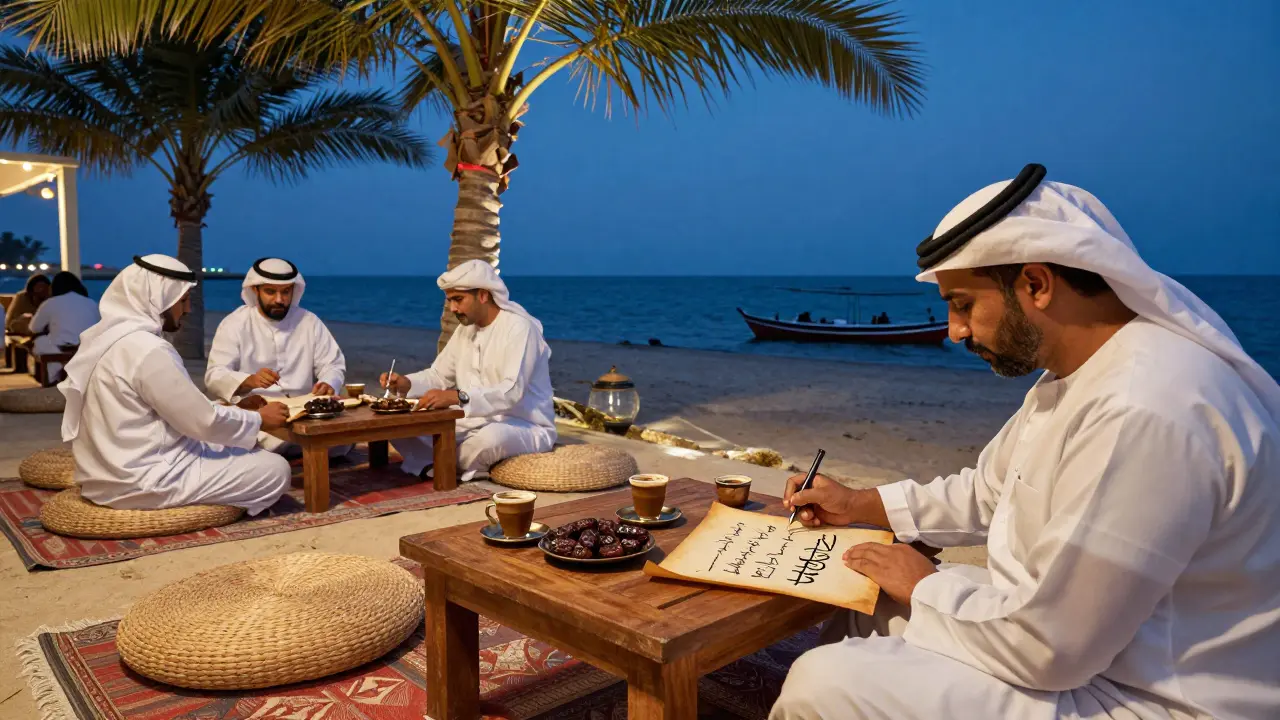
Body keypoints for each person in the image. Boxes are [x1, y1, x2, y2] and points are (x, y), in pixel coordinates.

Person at [770, 164, 1280, 720]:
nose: (953, 331)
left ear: (1036, 284)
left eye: (963, 304)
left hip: (1150, 696)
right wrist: (859, 504)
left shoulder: (1147, 406)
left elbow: (1050, 650)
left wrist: (925, 588)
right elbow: (992, 493)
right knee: (864, 602)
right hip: (1086, 651)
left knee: (821, 683)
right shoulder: (1076, 374)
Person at [59, 254, 292, 515]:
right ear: (158, 300)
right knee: (275, 470)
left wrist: (237, 410)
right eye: (182, 301)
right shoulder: (148, 349)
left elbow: (171, 409)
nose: (188, 309)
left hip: (105, 474)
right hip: (143, 479)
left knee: (231, 443)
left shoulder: (110, 340)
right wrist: (259, 420)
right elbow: (202, 421)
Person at [381, 260, 555, 482]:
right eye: (450, 300)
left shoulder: (519, 328)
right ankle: (448, 462)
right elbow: (438, 375)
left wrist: (457, 397)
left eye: (458, 300)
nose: (453, 308)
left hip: (520, 424)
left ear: (483, 295)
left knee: (488, 440)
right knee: (398, 425)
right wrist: (406, 383)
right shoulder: (466, 330)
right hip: (470, 421)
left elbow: (511, 391)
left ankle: (437, 462)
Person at [205, 257, 347, 456]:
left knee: (343, 438)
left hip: (302, 410)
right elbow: (214, 374)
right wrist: (249, 380)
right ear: (256, 290)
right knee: (259, 439)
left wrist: (328, 382)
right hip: (258, 412)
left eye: (285, 292)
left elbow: (332, 364)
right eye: (271, 292)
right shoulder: (235, 323)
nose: (279, 299)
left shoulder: (309, 322)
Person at [29, 271, 100, 382]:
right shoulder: (91, 303)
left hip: (60, 349)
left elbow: (34, 328)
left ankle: (54, 373)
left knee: (40, 341)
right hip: (86, 347)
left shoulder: (50, 303)